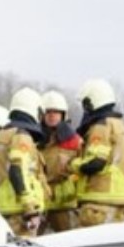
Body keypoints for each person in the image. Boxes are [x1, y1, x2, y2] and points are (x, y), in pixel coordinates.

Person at [71, 78, 124, 226]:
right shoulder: (120, 126)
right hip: (119, 200)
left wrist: (74, 165)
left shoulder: (100, 126)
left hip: (99, 201)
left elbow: (96, 163)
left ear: (91, 102)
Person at [0, 87, 48, 237]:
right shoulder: (22, 136)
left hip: (6, 208)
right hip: (21, 211)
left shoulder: (3, 134)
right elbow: (17, 171)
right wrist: (30, 210)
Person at [38, 90, 82, 234]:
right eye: (48, 112)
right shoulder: (33, 140)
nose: (51, 115)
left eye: (56, 112)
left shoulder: (74, 141)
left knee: (70, 244)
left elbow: (83, 168)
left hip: (65, 205)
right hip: (40, 204)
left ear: (63, 115)